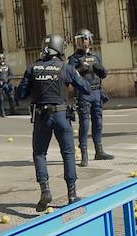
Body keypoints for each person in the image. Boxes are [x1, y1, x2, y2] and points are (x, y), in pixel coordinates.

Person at [20, 34, 95, 211]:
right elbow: (85, 87)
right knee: (68, 154)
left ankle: (45, 190)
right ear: (60, 48)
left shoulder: (32, 68)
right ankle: (72, 194)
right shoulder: (66, 67)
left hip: (41, 117)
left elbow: (21, 94)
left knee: (39, 154)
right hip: (62, 115)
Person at [70, 29, 114, 165]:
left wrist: (102, 70)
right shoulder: (74, 58)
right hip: (84, 93)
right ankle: (84, 154)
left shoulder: (96, 56)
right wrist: (79, 70)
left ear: (90, 40)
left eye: (85, 39)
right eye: (81, 40)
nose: (83, 42)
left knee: (98, 122)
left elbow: (103, 74)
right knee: (84, 123)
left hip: (97, 92)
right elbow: (70, 75)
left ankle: (99, 150)